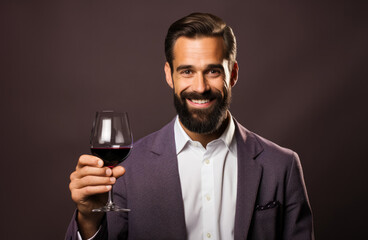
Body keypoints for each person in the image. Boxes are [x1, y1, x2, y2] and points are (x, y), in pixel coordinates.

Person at [66, 13, 314, 240]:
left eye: (213, 71)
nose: (200, 87)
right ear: (168, 75)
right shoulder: (126, 170)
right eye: (186, 71)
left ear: (233, 74)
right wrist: (88, 218)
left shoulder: (282, 166)